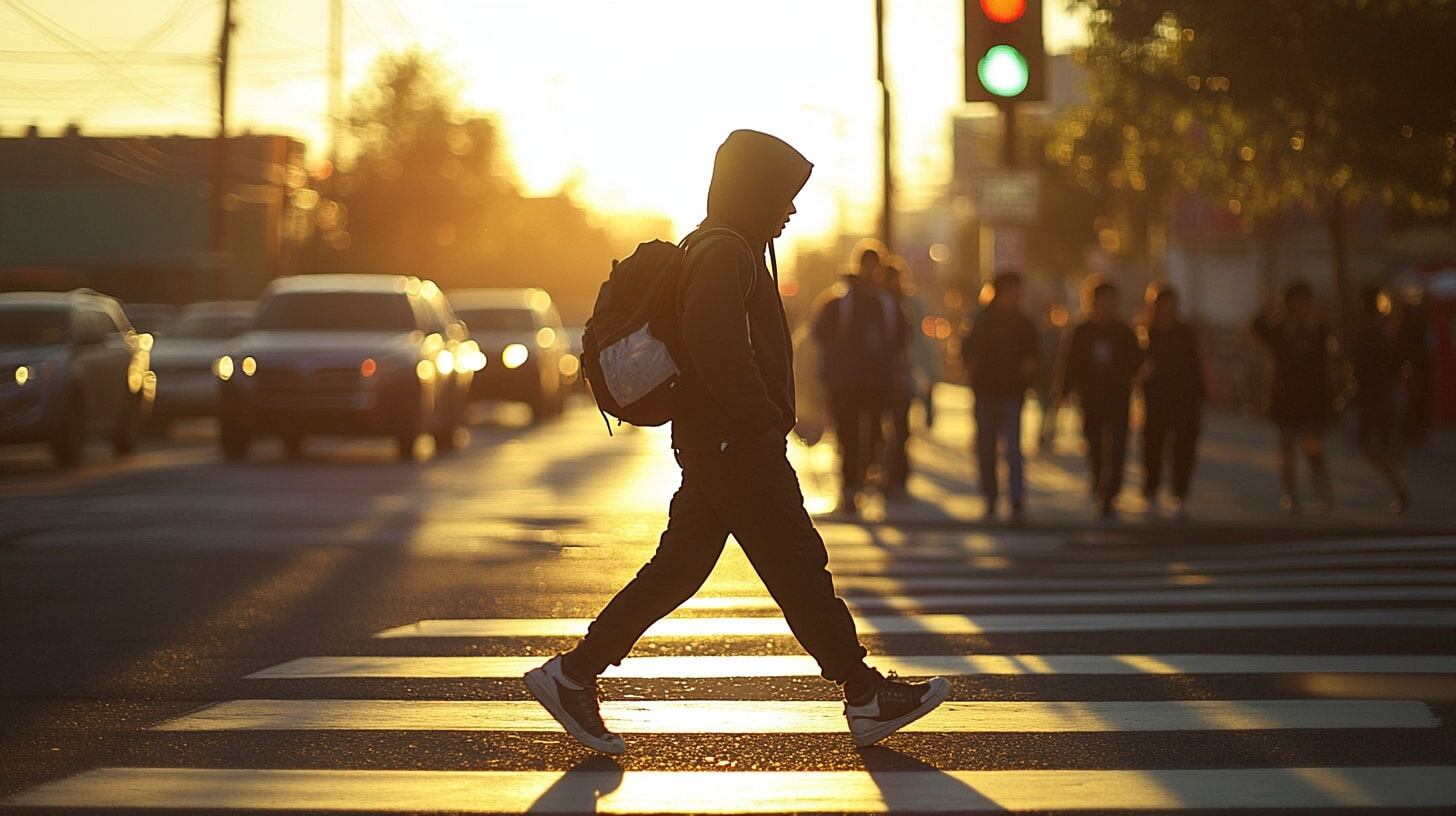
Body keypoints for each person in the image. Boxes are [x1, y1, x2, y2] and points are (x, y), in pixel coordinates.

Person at [524, 130, 949, 755]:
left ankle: (573, 674)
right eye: (783, 194)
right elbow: (713, 340)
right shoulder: (726, 251)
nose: (792, 209)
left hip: (720, 440)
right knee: (797, 565)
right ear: (754, 190)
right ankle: (863, 692)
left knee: (681, 570)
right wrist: (759, 416)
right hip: (732, 442)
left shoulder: (725, 245)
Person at [813, 240, 908, 513]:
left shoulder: (887, 303)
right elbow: (821, 333)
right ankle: (849, 486)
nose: (869, 271)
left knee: (875, 435)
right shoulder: (840, 301)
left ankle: (859, 480)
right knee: (848, 435)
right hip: (845, 382)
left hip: (878, 381)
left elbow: (901, 339)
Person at [1055, 280, 1141, 518]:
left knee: (1117, 447)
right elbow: (1068, 363)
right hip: (1091, 399)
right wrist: (1063, 392)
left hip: (1118, 397)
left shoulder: (1123, 331)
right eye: (1101, 301)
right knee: (1094, 444)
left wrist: (1129, 378)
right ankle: (1098, 481)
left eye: (1110, 301)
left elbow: (1136, 361)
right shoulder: (1081, 331)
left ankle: (1110, 492)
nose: (1106, 306)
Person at [1251, 281, 1335, 514]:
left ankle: (1321, 489)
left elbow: (1325, 365)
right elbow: (1256, 325)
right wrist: (1272, 306)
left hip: (1312, 398)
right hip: (1286, 397)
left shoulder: (1317, 331)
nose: (1302, 307)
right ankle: (1291, 493)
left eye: (1305, 301)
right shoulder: (1279, 330)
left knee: (1313, 446)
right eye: (1296, 302)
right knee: (1287, 446)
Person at [961, 272, 1038, 524]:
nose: (1012, 297)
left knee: (1013, 450)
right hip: (986, 393)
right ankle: (990, 498)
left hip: (1012, 394)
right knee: (986, 449)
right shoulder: (982, 321)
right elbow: (967, 352)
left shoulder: (1024, 324)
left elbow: (1034, 357)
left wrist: (1027, 374)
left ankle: (1016, 500)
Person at [1139, 285, 1204, 518]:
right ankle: (1151, 490)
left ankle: (1180, 492)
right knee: (1153, 446)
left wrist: (1199, 395)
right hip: (1156, 398)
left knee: (1183, 449)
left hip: (1184, 399)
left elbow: (1194, 365)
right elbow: (1138, 366)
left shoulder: (1185, 332)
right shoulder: (1146, 332)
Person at [1351, 286, 1410, 513]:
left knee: (1369, 444)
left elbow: (1365, 368)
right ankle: (1397, 485)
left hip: (1374, 397)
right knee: (1378, 445)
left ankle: (1398, 486)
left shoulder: (1369, 332)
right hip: (1384, 394)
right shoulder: (1382, 330)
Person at [877, 258, 926, 496]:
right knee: (887, 430)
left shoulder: (904, 305)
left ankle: (896, 476)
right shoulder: (879, 305)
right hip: (881, 377)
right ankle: (889, 475)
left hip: (898, 377)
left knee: (900, 429)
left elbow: (912, 342)